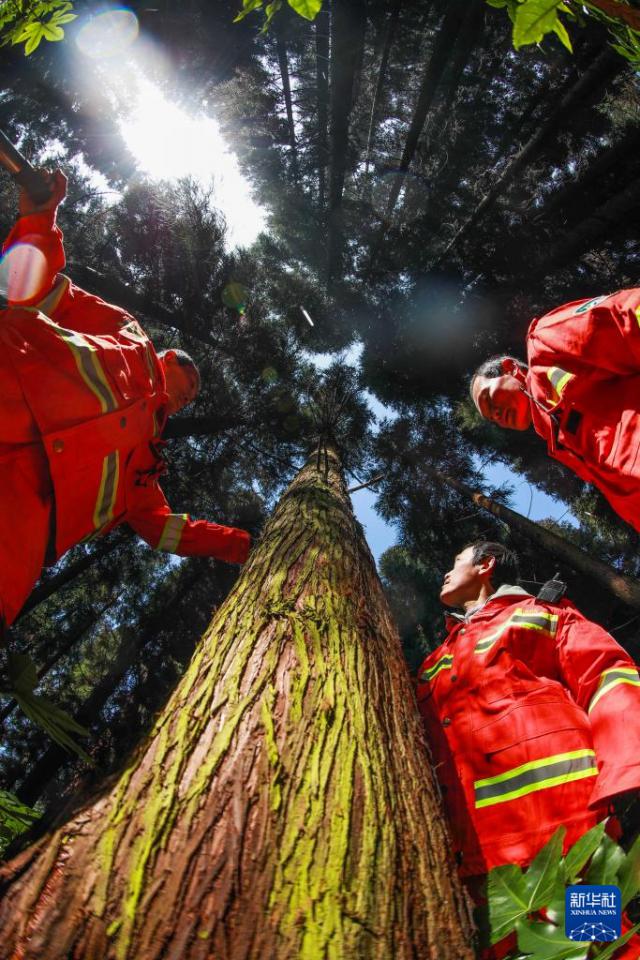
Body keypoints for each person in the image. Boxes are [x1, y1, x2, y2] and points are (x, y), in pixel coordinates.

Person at [0, 169, 250, 636]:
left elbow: (166, 529)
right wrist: (38, 219)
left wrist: (242, 546)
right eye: (190, 381)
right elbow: (37, 290)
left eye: (192, 399)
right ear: (168, 356)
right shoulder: (127, 332)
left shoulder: (144, 469)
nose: (189, 396)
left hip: (15, 532)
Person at [417, 542, 640, 956]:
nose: (445, 573)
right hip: (475, 862)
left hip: (571, 838)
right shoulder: (433, 663)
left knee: (603, 948)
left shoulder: (540, 613)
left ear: (486, 564)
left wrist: (625, 766)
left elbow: (608, 673)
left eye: (456, 561)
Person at [469, 289, 640, 532]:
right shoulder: (558, 443)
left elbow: (626, 315)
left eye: (489, 399)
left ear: (510, 368)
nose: (496, 415)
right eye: (491, 418)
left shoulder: (545, 343)